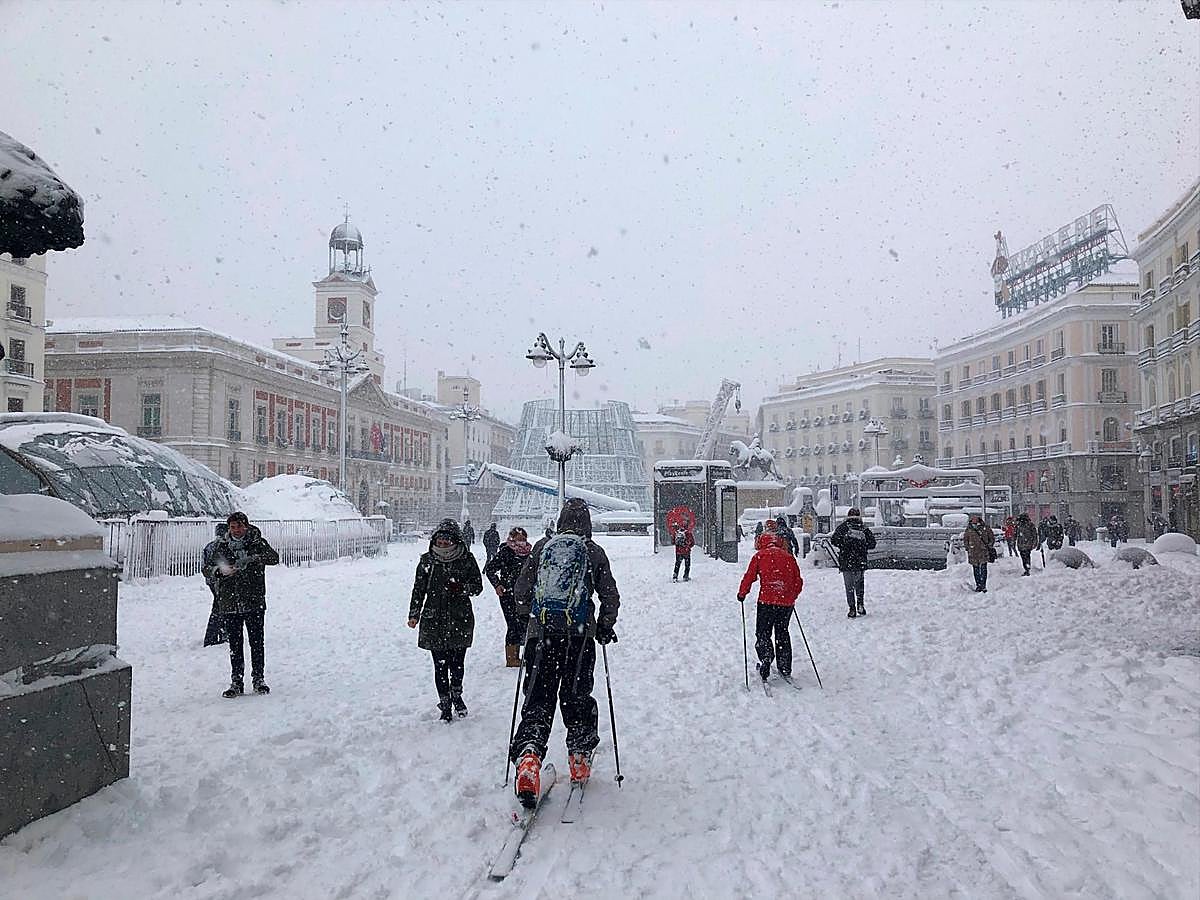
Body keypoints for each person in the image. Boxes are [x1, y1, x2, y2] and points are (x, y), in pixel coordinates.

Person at [510, 499, 620, 808]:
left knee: (538, 699)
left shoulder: (542, 548)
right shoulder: (593, 552)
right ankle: (579, 756)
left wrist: (529, 621)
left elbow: (522, 592)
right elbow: (610, 595)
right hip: (579, 638)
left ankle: (529, 756)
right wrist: (604, 626)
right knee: (577, 696)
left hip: (542, 637)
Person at [408, 519, 483, 722]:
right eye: (439, 541)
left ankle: (457, 695)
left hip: (460, 619)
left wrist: (462, 588)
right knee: (440, 665)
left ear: (455, 541)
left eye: (446, 541)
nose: (442, 544)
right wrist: (414, 614)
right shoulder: (427, 561)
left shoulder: (466, 559)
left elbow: (477, 586)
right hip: (434, 620)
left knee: (457, 663)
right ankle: (445, 703)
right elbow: (418, 589)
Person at [201, 512, 280, 698]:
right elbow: (206, 569)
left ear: (246, 526)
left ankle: (258, 678)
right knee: (235, 645)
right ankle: (236, 680)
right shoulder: (220, 546)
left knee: (256, 642)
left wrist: (255, 558)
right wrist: (220, 571)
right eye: (233, 527)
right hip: (230, 603)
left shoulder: (257, 543)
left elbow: (274, 558)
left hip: (253, 601)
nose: (236, 530)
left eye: (240, 526)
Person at [737, 524, 803, 682]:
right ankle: (785, 666)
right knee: (782, 632)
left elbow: (749, 576)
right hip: (786, 603)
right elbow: (798, 581)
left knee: (763, 632)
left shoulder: (760, 556)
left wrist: (742, 593)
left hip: (766, 601)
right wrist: (792, 596)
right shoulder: (788, 557)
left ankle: (766, 658)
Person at [483, 526, 533, 667]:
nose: (521, 542)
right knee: (513, 624)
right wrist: (497, 585)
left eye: (523, 539)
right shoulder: (506, 552)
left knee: (524, 623)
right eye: (518, 539)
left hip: (525, 595)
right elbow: (490, 569)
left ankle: (522, 654)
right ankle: (511, 658)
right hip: (508, 595)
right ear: (512, 539)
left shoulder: (530, 553)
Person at [830, 507, 876, 618]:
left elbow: (834, 540)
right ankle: (860, 604)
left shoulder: (843, 527)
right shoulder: (863, 528)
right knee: (859, 584)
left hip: (846, 561)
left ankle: (852, 608)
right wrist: (862, 545)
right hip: (860, 561)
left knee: (849, 586)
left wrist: (844, 543)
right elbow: (872, 544)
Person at [200, 523, 228, 647]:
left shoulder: (209, 546)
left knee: (219, 606)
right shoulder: (222, 546)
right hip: (220, 581)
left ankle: (217, 634)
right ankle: (214, 636)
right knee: (220, 608)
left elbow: (205, 566)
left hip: (211, 581)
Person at [963, 514, 996, 593]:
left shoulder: (985, 528)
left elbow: (991, 538)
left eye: (975, 518)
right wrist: (968, 548)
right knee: (976, 570)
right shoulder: (969, 529)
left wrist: (989, 545)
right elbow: (966, 539)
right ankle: (978, 585)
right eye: (973, 519)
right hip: (973, 552)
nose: (974, 520)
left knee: (983, 568)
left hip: (983, 551)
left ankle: (983, 585)